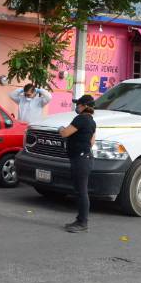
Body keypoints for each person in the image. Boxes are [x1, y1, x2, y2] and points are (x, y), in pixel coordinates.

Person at [58, 95, 96, 233]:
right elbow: (92, 142)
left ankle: (82, 223)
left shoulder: (81, 119)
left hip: (80, 160)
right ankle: (80, 219)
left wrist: (60, 128)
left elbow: (65, 133)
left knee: (81, 192)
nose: (77, 107)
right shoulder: (92, 121)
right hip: (85, 158)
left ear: (84, 106)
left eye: (78, 104)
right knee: (80, 191)